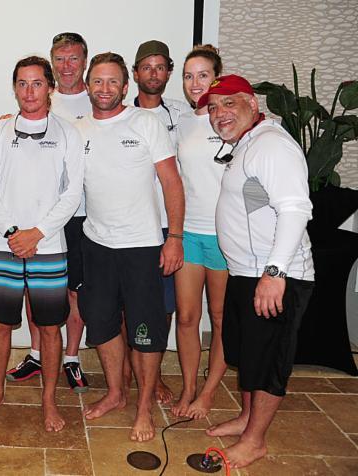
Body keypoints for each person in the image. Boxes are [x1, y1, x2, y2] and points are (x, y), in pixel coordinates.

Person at [201, 75, 315, 469]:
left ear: (251, 102)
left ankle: (255, 441)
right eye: (213, 108)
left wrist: (275, 272)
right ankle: (247, 419)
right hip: (247, 272)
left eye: (228, 104)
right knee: (249, 354)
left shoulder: (272, 146)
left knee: (268, 360)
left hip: (274, 276)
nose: (219, 114)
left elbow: (296, 209)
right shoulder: (248, 144)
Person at [76, 52, 184, 442]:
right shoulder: (77, 129)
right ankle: (117, 394)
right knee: (102, 324)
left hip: (142, 246)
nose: (104, 89)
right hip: (97, 245)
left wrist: (174, 237)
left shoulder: (146, 123)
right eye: (98, 81)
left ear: (125, 86)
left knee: (146, 331)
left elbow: (172, 182)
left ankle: (144, 409)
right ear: (88, 85)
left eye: (112, 82)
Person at [0, 56, 83, 432]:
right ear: (14, 88)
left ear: (50, 87)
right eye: (22, 83)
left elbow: (72, 193)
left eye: (37, 83)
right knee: (1, 325)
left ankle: (49, 400)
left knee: (50, 327)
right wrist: (11, 232)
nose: (29, 91)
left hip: (49, 247)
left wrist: (37, 233)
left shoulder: (68, 133)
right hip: (5, 246)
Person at [6, 32, 91, 394]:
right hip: (39, 219)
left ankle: (70, 358)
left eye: (74, 58)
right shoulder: (33, 104)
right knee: (33, 290)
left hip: (83, 215)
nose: (67, 65)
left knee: (73, 293)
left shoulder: (100, 100)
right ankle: (38, 353)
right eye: (60, 58)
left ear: (84, 61)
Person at [129, 39, 193, 405]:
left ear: (168, 72)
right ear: (135, 74)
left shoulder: (184, 116)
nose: (153, 73)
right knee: (129, 304)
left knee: (165, 306)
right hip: (133, 225)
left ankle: (152, 376)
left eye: (160, 67)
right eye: (146, 67)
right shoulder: (120, 113)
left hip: (169, 225)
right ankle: (130, 372)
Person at [171, 45, 229, 419]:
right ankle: (189, 387)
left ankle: (209, 391)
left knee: (222, 318)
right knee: (187, 317)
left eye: (203, 75)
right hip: (189, 234)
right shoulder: (180, 120)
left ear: (217, 77)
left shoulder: (232, 118)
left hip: (227, 238)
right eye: (189, 76)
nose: (195, 83)